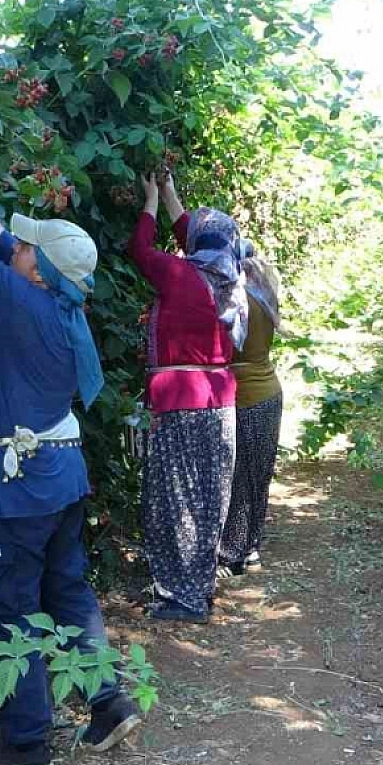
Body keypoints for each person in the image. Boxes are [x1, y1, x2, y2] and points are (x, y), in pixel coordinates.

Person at [0, 170, 144, 765]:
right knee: (68, 591)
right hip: (60, 480)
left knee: (8, 608)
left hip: (13, 490)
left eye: (26, 247)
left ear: (36, 269)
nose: (15, 245)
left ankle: (27, 746)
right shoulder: (58, 300)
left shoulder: (20, 304)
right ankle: (108, 704)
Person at [128, 171, 247, 623]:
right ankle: (199, 588)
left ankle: (182, 597)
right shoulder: (231, 278)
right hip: (220, 403)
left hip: (181, 403)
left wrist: (152, 201)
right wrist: (174, 195)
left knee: (174, 498)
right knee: (207, 499)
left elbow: (140, 251)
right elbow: (195, 239)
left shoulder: (180, 276)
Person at [218, 236, 283, 576]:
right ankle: (252, 546)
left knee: (237, 477)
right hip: (269, 391)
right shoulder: (266, 294)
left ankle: (232, 553)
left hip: (244, 395)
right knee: (258, 474)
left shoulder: (236, 301)